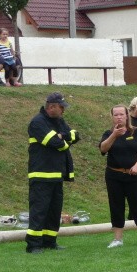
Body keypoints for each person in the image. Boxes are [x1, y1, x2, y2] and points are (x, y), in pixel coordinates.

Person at [25, 93, 80, 253]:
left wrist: (63, 137)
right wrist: (64, 141)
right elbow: (55, 143)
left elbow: (76, 135)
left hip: (57, 175)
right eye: (61, 107)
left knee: (54, 211)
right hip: (41, 174)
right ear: (51, 107)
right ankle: (33, 245)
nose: (63, 110)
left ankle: (50, 241)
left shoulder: (59, 121)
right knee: (39, 211)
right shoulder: (38, 122)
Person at [99, 105, 137, 248]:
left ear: (127, 116)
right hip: (114, 175)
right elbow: (103, 149)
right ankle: (117, 239)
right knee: (116, 205)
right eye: (115, 115)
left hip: (134, 176)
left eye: (121, 114)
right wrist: (114, 135)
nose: (119, 117)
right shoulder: (108, 133)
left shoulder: (136, 132)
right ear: (112, 117)